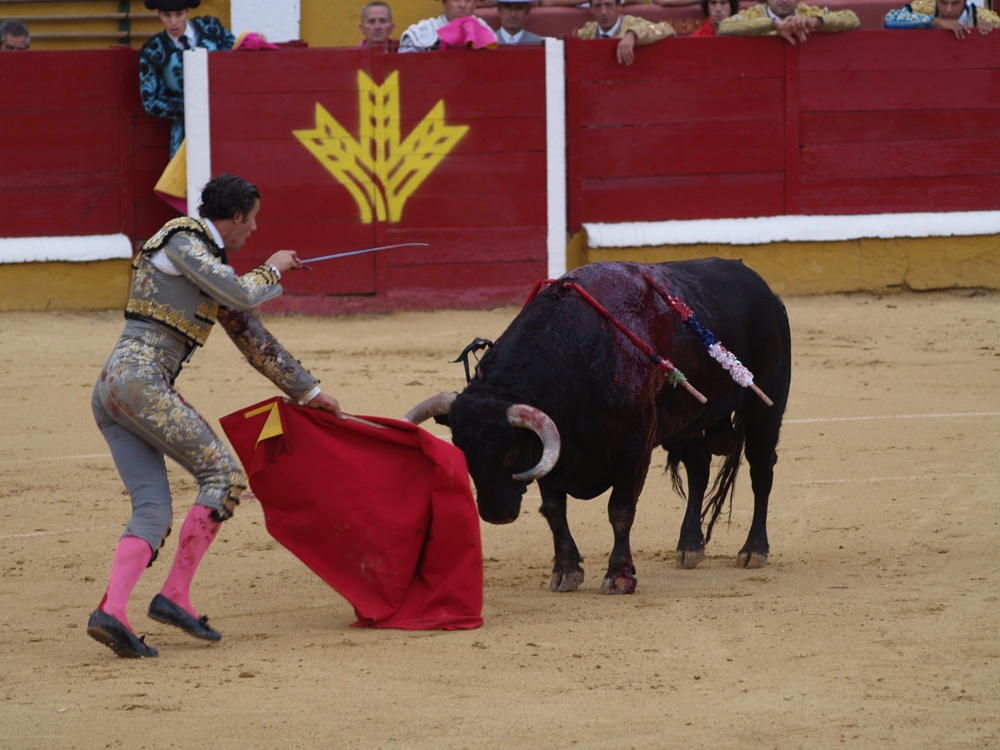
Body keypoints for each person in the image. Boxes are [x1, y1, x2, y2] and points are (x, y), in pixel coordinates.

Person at [87, 173, 344, 659]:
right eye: (253, 219)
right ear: (235, 216)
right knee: (222, 476)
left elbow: (257, 343)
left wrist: (310, 392)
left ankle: (112, 612)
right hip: (139, 381)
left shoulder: (209, 270)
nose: (254, 230)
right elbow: (243, 292)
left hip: (118, 387)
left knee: (153, 509)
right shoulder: (185, 237)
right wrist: (272, 270)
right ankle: (174, 595)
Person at [139, 0, 235, 158]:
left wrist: (252, 40)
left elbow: (238, 59)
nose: (173, 22)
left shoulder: (212, 30)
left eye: (179, 14)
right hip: (185, 128)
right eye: (167, 15)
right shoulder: (153, 50)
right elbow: (151, 102)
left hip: (226, 119)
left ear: (188, 11)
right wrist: (195, 108)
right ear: (158, 14)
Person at [574, 0, 675, 66]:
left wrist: (632, 34)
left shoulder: (631, 23)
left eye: (608, 5)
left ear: (619, 6)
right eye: (598, 6)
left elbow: (667, 28)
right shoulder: (587, 32)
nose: (603, 12)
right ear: (591, 9)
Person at [719, 0, 860, 43]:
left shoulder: (807, 12)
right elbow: (724, 27)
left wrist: (815, 22)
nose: (784, 0)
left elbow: (852, 19)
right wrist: (772, 25)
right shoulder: (755, 13)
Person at [400, 0, 495, 51]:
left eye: (468, 0)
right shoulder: (419, 34)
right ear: (444, 2)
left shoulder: (485, 30)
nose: (462, 5)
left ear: (475, 4)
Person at [884, 0, 997, 37]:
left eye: (955, 3)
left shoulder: (981, 16)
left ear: (965, 1)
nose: (948, 10)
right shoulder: (925, 7)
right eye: (943, 2)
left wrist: (989, 29)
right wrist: (936, 21)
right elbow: (890, 19)